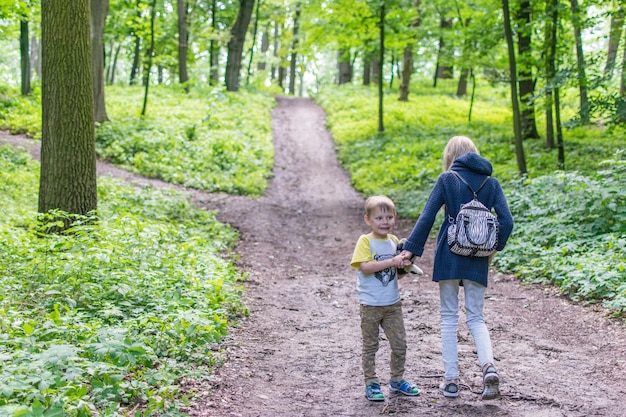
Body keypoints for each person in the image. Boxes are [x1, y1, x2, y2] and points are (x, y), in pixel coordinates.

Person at [399, 136, 514, 401]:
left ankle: (451, 381)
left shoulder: (447, 179)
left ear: (451, 156)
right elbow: (506, 221)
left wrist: (411, 250)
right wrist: (492, 247)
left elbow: (427, 216)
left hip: (449, 253)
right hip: (478, 257)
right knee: (476, 317)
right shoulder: (491, 183)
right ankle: (488, 367)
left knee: (449, 318)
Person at [350, 195, 420, 401]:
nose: (385, 222)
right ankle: (371, 383)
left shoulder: (394, 242)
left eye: (389, 217)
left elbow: (395, 275)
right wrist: (391, 260)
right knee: (371, 345)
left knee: (400, 344)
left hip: (392, 303)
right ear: (368, 220)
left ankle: (397, 380)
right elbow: (366, 266)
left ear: (395, 217)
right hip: (370, 304)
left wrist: (404, 265)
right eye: (379, 218)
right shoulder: (365, 241)